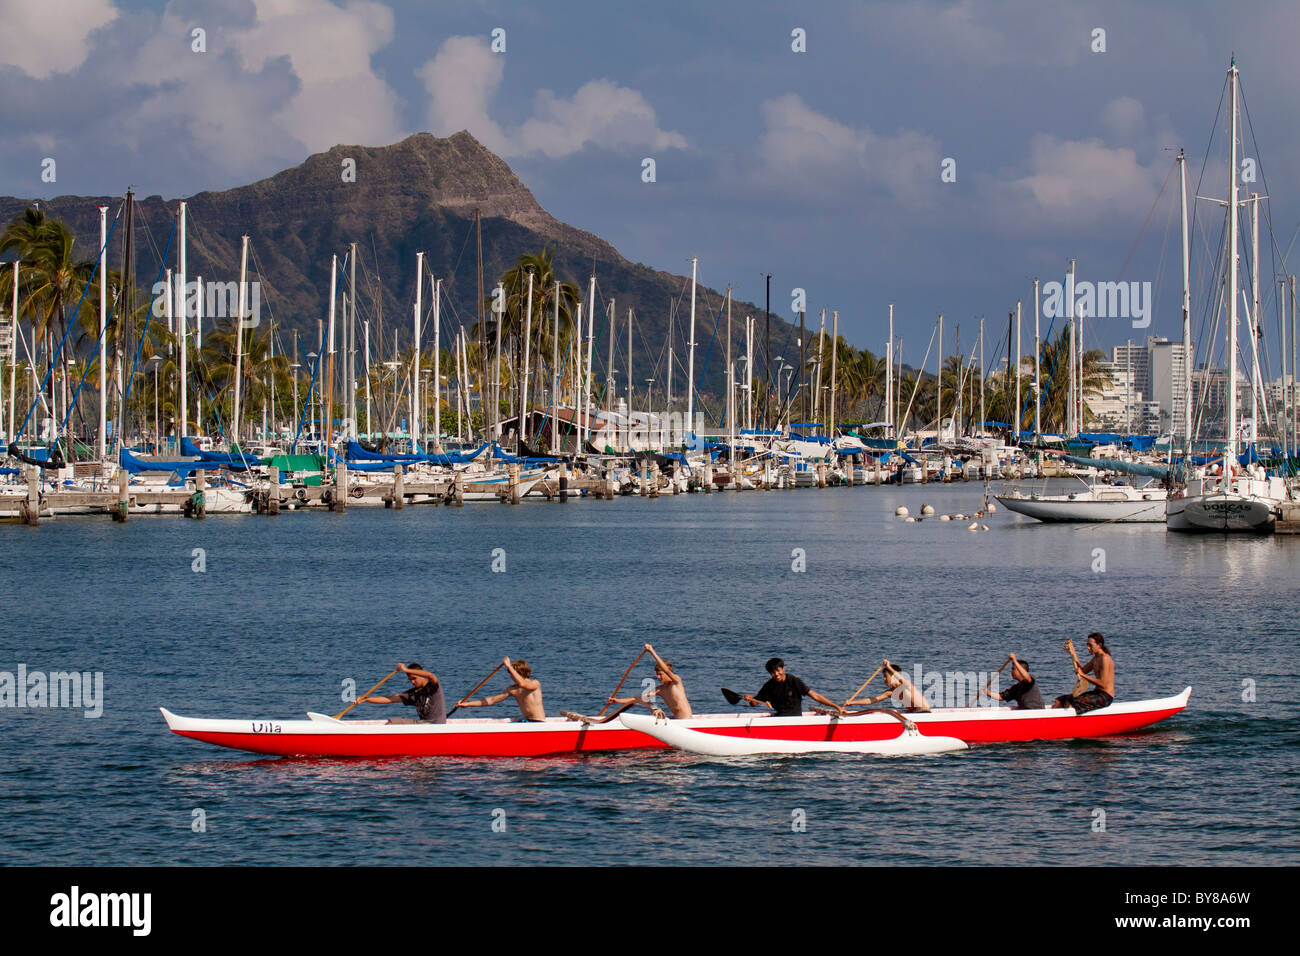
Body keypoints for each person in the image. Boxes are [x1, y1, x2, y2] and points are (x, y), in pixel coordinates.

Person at [608, 643, 693, 718]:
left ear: (668, 673)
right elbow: (638, 699)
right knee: (649, 704)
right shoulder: (660, 689)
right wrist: (617, 701)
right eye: (657, 675)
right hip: (676, 719)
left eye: (660, 674)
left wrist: (652, 651)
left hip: (686, 721)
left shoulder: (676, 682)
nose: (658, 677)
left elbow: (666, 669)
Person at [742, 658, 843, 717]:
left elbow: (814, 695)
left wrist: (835, 706)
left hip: (794, 719)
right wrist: (750, 699)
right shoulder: (769, 685)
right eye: (772, 672)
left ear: (783, 668)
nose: (776, 674)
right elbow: (755, 703)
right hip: (780, 719)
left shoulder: (793, 681)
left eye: (778, 670)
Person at [455, 657, 546, 721]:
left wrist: (509, 666)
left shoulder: (535, 684)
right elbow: (491, 700)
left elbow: (522, 683)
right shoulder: (512, 689)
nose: (510, 676)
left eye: (511, 673)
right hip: (527, 722)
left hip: (539, 722)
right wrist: (466, 704)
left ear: (519, 673)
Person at [360, 662, 446, 724]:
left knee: (391, 723)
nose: (412, 682)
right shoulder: (413, 694)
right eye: (410, 680)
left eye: (414, 678)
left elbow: (431, 675)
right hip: (423, 725)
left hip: (435, 725)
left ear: (421, 675)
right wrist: (366, 699)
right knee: (391, 723)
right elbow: (391, 699)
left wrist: (406, 669)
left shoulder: (433, 686)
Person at [1052, 634, 1114, 712]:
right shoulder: (1095, 658)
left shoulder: (1105, 659)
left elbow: (1103, 684)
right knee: (1061, 700)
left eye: (1090, 645)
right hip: (1096, 693)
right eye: (1087, 645)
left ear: (1099, 645)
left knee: (1073, 702)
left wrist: (1083, 675)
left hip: (1105, 697)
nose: (1088, 648)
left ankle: (1070, 721)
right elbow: (1082, 670)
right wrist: (1073, 653)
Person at [859, 660, 931, 712]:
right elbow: (872, 700)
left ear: (893, 676)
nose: (884, 679)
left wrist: (888, 666)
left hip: (924, 712)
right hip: (914, 714)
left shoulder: (906, 685)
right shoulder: (889, 692)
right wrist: (851, 702)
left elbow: (900, 678)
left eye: (885, 676)